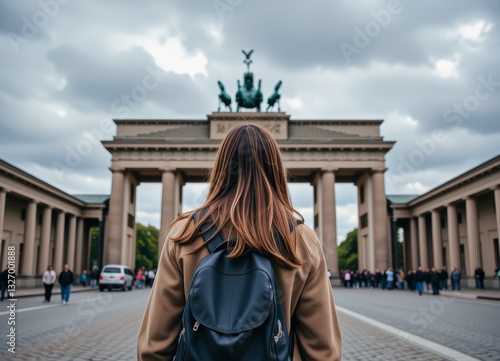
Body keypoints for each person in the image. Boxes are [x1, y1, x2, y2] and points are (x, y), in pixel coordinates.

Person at [137, 124, 342, 360]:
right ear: (275, 168)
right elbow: (323, 350)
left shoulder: (185, 234)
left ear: (221, 166)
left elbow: (154, 346)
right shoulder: (302, 239)